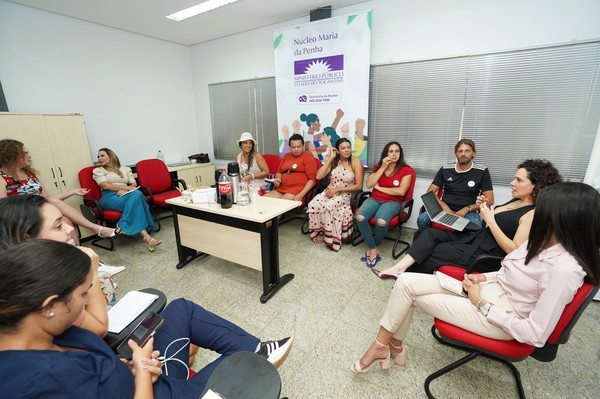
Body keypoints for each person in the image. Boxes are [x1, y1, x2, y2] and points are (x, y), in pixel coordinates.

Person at [352, 182, 600, 373]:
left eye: (543, 211)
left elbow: (535, 334)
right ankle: (390, 347)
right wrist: (482, 278)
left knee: (408, 295)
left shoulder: (564, 270)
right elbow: (510, 269)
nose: (538, 215)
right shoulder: (542, 242)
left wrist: (482, 304)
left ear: (564, 220)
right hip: (488, 290)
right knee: (404, 280)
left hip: (501, 316)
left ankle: (383, 347)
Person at [0, 240, 294, 398]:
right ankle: (257, 354)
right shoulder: (45, 381)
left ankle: (257, 350)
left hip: (150, 380)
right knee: (249, 368)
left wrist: (129, 366)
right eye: (85, 293)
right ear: (51, 305)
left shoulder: (38, 330)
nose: (90, 298)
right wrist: (141, 371)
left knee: (181, 309)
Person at [374, 159, 562, 278]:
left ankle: (408, 285)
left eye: (519, 180)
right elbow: (497, 218)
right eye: (514, 178)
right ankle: (399, 270)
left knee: (433, 252)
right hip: (477, 239)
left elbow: (513, 251)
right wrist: (484, 207)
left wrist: (489, 219)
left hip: (485, 254)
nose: (512, 183)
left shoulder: (533, 214)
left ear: (537, 185)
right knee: (430, 234)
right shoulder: (517, 200)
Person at [0, 194, 110, 337]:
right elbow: (99, 330)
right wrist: (90, 273)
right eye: (58, 226)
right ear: (27, 238)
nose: (69, 229)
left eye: (64, 221)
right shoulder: (45, 282)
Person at [0, 138, 116, 242]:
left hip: (40, 211)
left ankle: (79, 252)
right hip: (21, 216)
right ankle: (96, 228)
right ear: (12, 156)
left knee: (65, 221)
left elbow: (46, 199)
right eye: (25, 153)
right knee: (55, 209)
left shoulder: (30, 174)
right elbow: (4, 209)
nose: (29, 155)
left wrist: (73, 192)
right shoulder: (2, 178)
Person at [355, 141, 415, 268]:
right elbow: (369, 184)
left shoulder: (406, 170)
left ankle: (372, 247)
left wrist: (380, 188)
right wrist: (382, 167)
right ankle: (373, 248)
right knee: (360, 217)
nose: (394, 154)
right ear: (386, 153)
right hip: (375, 199)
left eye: (397, 151)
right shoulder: (378, 167)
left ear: (400, 153)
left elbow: (401, 191)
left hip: (394, 202)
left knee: (381, 221)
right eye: (391, 151)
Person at [416, 139, 494, 232]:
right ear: (456, 153)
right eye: (460, 151)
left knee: (475, 227)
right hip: (444, 209)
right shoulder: (446, 168)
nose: (463, 154)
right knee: (422, 220)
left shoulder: (482, 171)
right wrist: (443, 206)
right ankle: (429, 242)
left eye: (467, 151)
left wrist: (467, 209)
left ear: (473, 153)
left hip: (469, 211)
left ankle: (459, 246)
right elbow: (430, 192)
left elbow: (490, 200)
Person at [93, 148, 161, 252]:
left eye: (102, 156)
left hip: (126, 194)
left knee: (136, 196)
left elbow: (133, 184)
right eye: (98, 156)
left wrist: (127, 190)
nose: (99, 158)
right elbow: (105, 185)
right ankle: (125, 226)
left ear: (110, 157)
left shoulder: (125, 169)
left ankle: (146, 237)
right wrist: (126, 188)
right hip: (109, 197)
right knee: (137, 195)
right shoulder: (98, 171)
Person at [307, 138, 364, 251]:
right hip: (330, 191)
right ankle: (318, 232)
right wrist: (331, 158)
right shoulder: (334, 160)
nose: (347, 150)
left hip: (346, 193)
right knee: (313, 204)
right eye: (343, 148)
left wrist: (338, 189)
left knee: (329, 206)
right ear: (337, 150)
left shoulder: (355, 161)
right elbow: (318, 176)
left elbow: (359, 186)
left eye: (349, 147)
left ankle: (329, 237)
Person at [263, 134, 318, 202]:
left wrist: (301, 194)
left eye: (299, 147)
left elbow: (312, 180)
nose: (296, 149)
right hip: (283, 187)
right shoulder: (287, 156)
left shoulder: (308, 157)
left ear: (303, 146)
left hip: (298, 189)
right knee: (264, 199)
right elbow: (279, 172)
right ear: (289, 147)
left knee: (282, 203)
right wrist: (278, 179)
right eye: (293, 147)